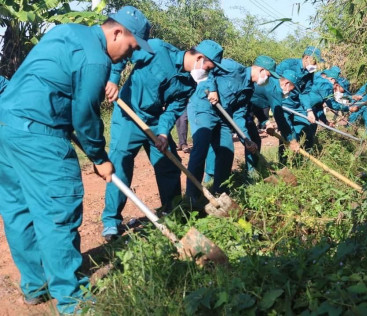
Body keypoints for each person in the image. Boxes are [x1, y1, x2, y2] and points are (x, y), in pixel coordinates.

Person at [0, 6, 151, 314]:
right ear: (117, 32)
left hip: (5, 127)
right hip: (39, 136)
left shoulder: (66, 31)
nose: (127, 56)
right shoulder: (96, 58)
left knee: (19, 210)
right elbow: (84, 117)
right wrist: (99, 157)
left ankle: (35, 286)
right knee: (58, 212)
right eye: (131, 47)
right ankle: (73, 300)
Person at [101, 39, 226, 240]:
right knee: (120, 164)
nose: (208, 73)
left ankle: (173, 211)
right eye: (209, 68)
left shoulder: (189, 84)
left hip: (154, 119)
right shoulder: (157, 50)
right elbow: (123, 52)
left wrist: (163, 133)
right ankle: (111, 223)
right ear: (200, 58)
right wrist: (113, 79)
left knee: (169, 163)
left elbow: (174, 109)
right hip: (128, 114)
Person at [186, 56, 279, 207]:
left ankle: (221, 193)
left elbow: (238, 116)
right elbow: (208, 68)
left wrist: (246, 139)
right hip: (203, 107)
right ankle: (192, 197)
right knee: (201, 148)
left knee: (227, 152)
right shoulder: (232, 67)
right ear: (261, 69)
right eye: (268, 75)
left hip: (223, 116)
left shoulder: (249, 89)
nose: (267, 79)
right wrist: (213, 89)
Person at [275, 46, 326, 156]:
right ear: (307, 58)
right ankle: (282, 161)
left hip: (297, 104)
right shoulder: (288, 64)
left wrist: (309, 110)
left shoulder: (309, 73)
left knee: (306, 130)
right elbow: (274, 81)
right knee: (286, 131)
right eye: (315, 62)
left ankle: (302, 161)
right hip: (283, 102)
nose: (316, 66)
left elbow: (305, 93)